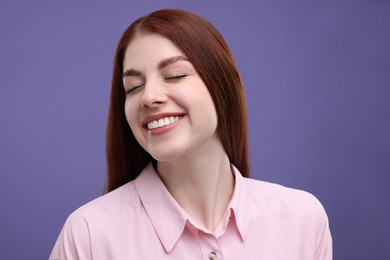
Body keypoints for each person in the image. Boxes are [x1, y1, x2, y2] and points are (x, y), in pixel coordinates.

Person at [50, 9, 332, 259]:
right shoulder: (88, 235)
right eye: (133, 87)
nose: (149, 97)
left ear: (223, 85)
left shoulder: (302, 219)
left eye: (174, 75)